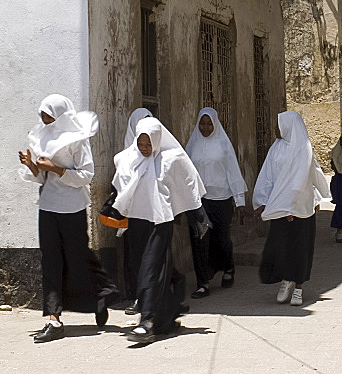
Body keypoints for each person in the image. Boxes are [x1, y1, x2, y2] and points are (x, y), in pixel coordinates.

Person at [18, 94, 119, 344]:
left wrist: (54, 168)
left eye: (49, 114)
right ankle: (54, 319)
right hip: (48, 206)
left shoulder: (77, 139)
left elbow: (86, 174)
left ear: (61, 114)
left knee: (78, 258)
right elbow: (42, 177)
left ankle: (99, 298)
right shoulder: (41, 135)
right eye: (42, 113)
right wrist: (33, 166)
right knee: (50, 260)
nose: (44, 118)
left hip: (72, 207)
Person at [112, 117, 206, 344]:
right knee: (141, 268)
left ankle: (148, 322)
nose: (144, 149)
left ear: (156, 140)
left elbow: (189, 183)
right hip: (136, 222)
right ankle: (167, 317)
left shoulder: (170, 159)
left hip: (159, 223)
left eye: (148, 144)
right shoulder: (128, 159)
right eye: (141, 144)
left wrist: (199, 216)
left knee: (150, 271)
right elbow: (120, 184)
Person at [253, 111, 330, 307]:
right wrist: (262, 201)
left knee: (300, 249)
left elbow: (305, 179)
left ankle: (299, 288)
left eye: (279, 126)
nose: (275, 130)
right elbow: (268, 176)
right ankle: (286, 280)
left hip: (301, 208)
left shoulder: (303, 149)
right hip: (280, 207)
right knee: (279, 247)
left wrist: (294, 206)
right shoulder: (276, 149)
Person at [185, 107, 248, 298]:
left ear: (216, 124)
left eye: (209, 123)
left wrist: (239, 200)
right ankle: (203, 283)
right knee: (200, 240)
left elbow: (233, 171)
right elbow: (186, 171)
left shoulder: (223, 144)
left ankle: (228, 267)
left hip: (221, 199)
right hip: (199, 201)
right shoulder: (193, 145)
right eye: (202, 123)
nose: (205, 127)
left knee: (221, 240)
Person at [121, 108, 151, 314]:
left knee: (152, 256)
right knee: (135, 257)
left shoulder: (161, 154)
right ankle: (137, 296)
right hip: (133, 215)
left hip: (155, 215)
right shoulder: (125, 158)